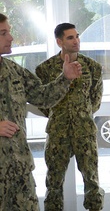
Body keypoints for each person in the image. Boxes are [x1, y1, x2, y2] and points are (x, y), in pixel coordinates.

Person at [0, 13, 83, 211]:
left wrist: (65, 78)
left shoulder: (14, 71)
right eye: (4, 33)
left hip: (20, 171)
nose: (11, 37)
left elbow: (42, 96)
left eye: (9, 31)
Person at [35, 23, 104, 211]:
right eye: (70, 38)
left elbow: (95, 101)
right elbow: (42, 102)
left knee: (92, 181)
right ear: (59, 42)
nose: (76, 41)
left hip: (85, 132)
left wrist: (82, 115)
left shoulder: (92, 67)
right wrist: (59, 116)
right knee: (54, 182)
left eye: (77, 36)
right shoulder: (45, 69)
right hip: (58, 133)